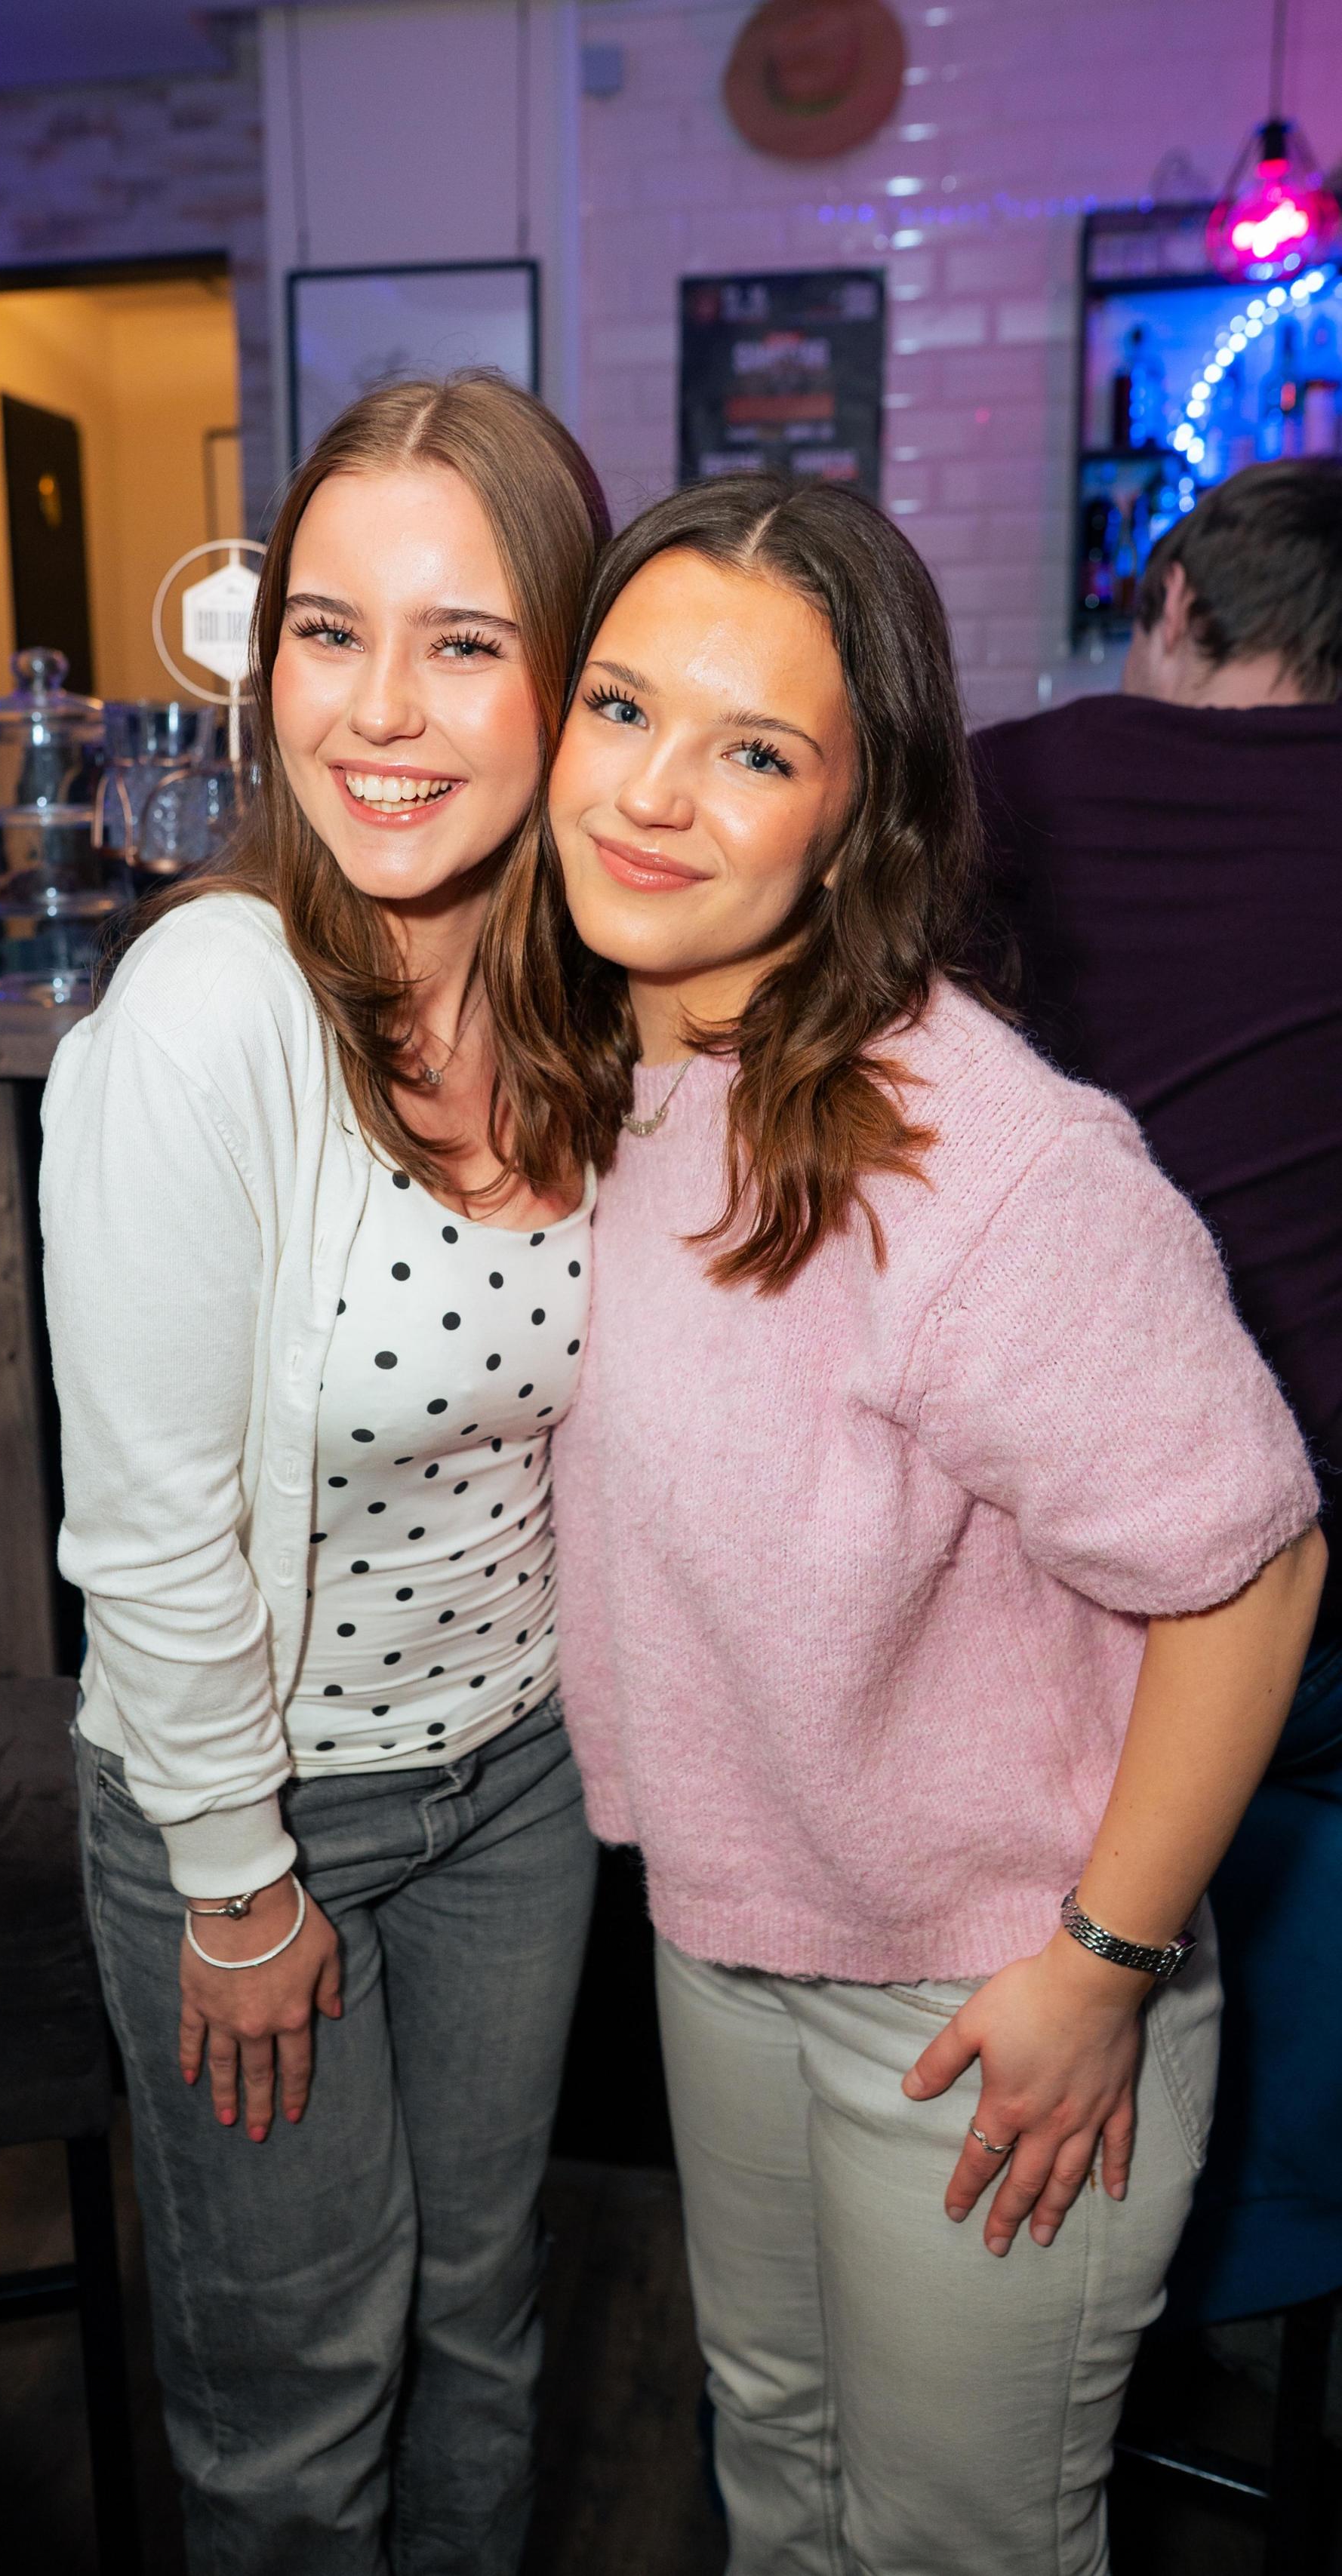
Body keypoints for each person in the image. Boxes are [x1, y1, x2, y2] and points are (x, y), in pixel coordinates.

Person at [522, 475, 1325, 2576]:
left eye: (756, 748)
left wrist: (1101, 1962)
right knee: (777, 2458)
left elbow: (1256, 1568)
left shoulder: (985, 1160)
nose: (656, 794)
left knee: (959, 2539)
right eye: (622, 706)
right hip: (732, 1931)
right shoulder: (634, 1063)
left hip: (983, 1981)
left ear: (856, 816)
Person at [40, 376, 611, 2576]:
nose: (381, 709)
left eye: (466, 639)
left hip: (517, 1787)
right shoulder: (213, 1007)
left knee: (486, 2321)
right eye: (329, 628)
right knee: (297, 2399)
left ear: (570, 671)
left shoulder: (590, 995)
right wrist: (237, 1880)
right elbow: (150, 1527)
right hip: (257, 1806)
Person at [971, 457, 1342, 2325]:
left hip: (1049, 1551)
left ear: (1182, 606)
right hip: (1312, 1549)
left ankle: (1066, 2278)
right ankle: (1263, 2261)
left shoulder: (1017, 781)